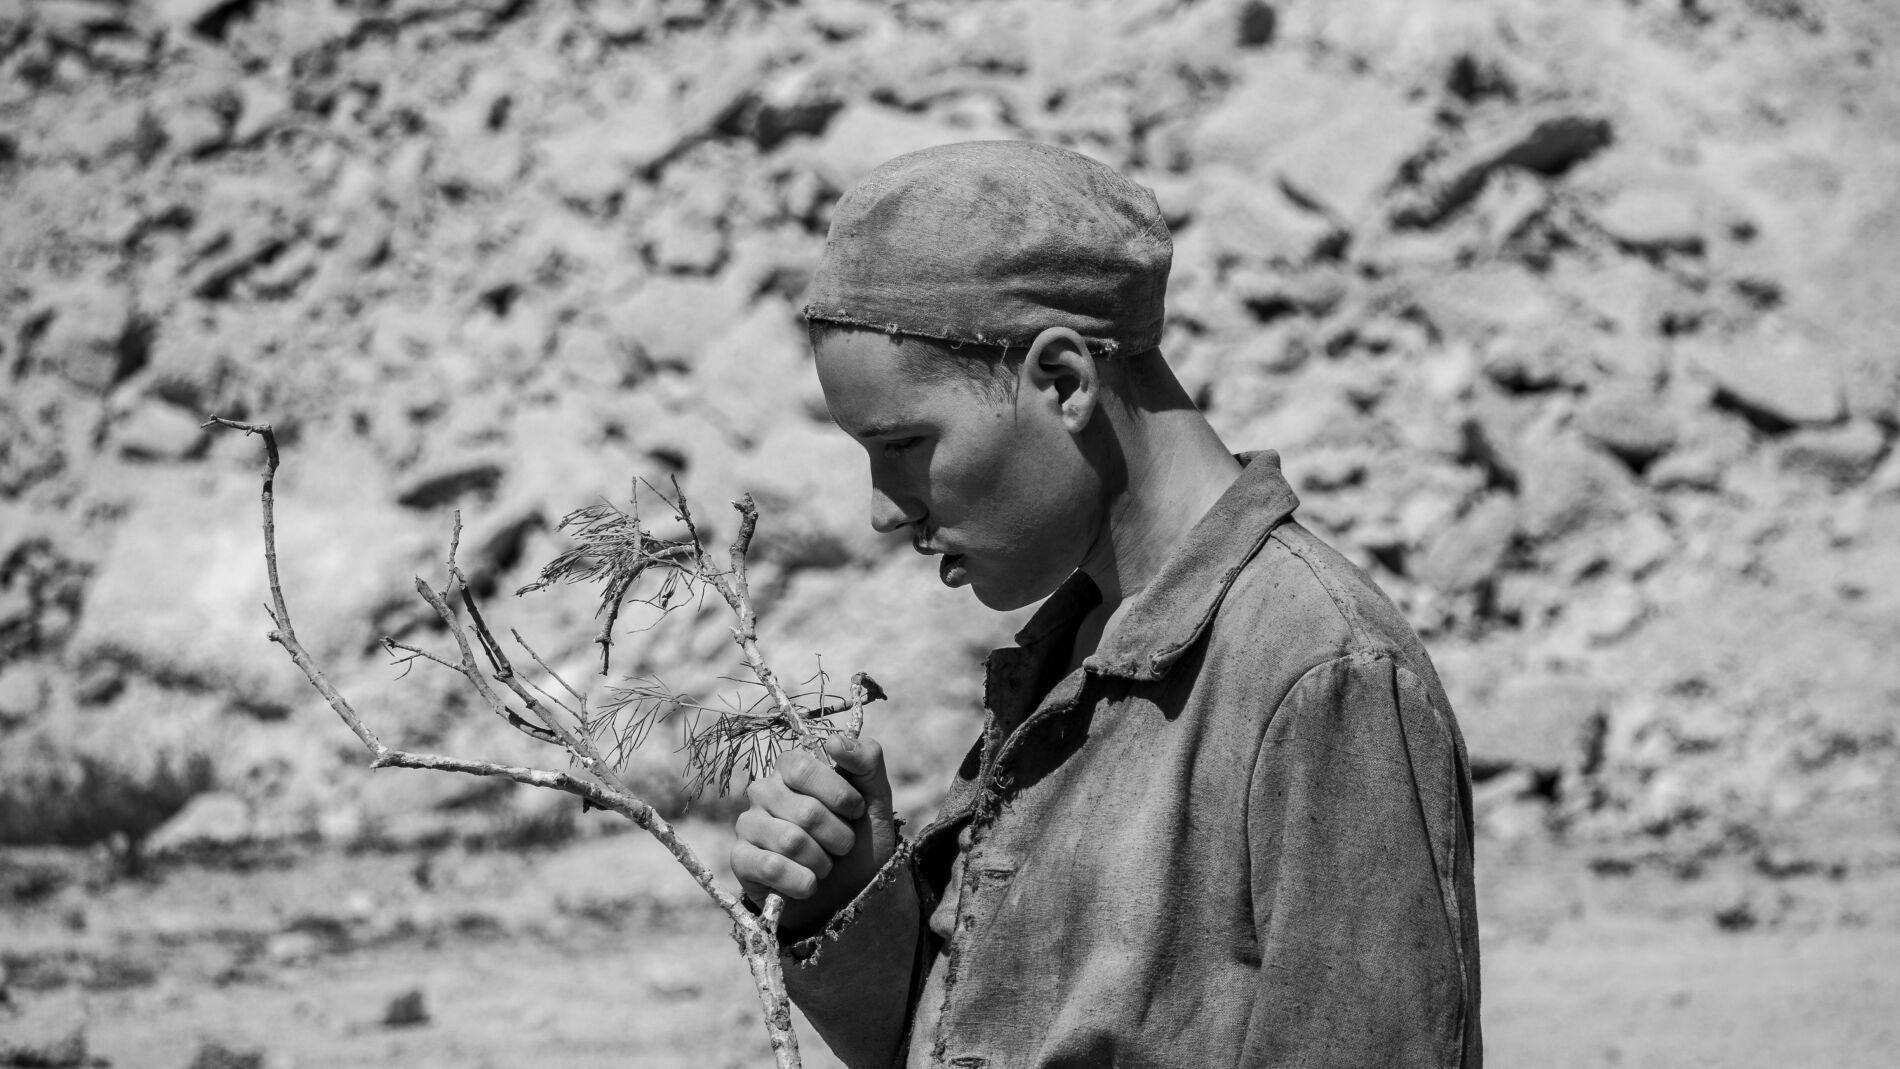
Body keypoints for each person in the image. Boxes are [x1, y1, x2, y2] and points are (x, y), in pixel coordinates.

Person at [728, 140, 1483, 1069]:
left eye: (906, 445)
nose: (886, 509)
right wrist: (851, 898)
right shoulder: (1080, 647)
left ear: (1064, 381)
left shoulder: (1322, 673)